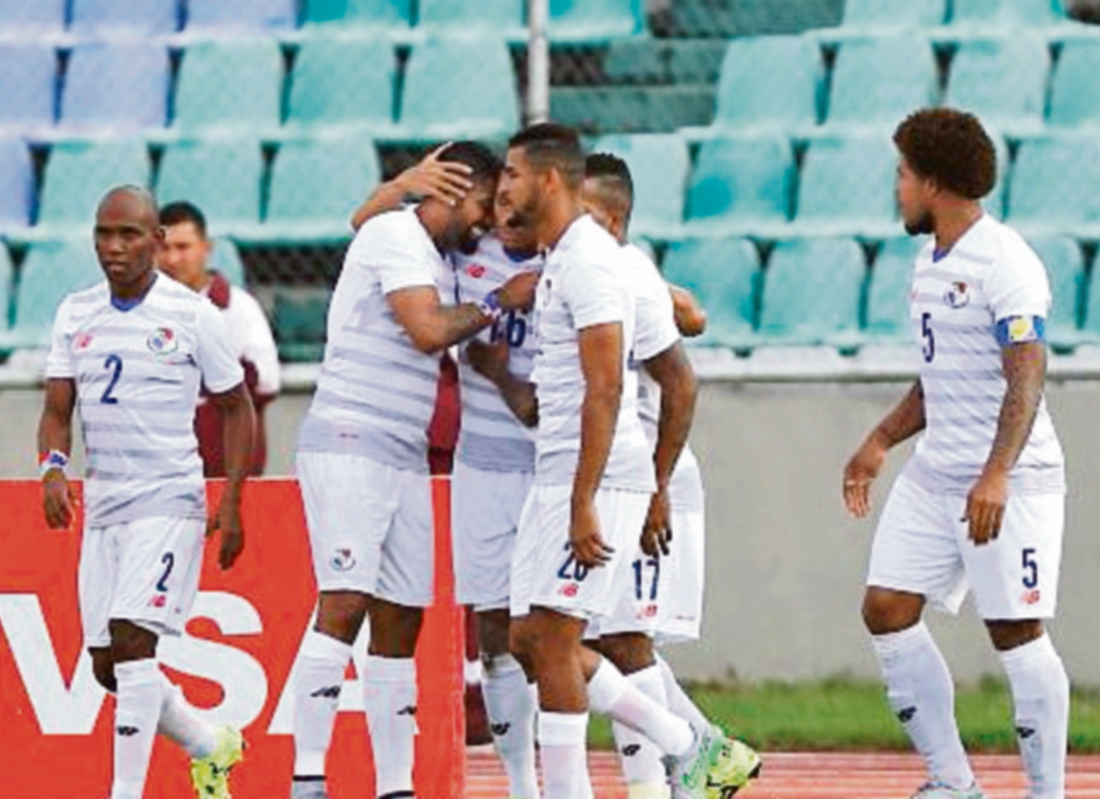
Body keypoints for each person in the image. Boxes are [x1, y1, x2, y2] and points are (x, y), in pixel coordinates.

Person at [287, 141, 538, 799]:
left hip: (403, 452)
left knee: (403, 616)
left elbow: (357, 222)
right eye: (484, 202)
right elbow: (428, 331)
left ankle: (393, 786)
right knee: (343, 603)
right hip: (350, 440)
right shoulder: (396, 235)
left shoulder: (434, 253)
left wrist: (395, 185)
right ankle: (306, 777)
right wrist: (496, 304)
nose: (488, 219)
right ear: (452, 189)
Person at [842, 108, 1069, 799]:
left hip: (1011, 478)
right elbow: (938, 376)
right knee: (885, 606)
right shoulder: (929, 258)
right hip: (935, 472)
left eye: (904, 174)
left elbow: (1026, 373)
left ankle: (1046, 792)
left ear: (934, 183)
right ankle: (953, 783)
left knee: (1017, 630)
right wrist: (880, 439)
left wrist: (997, 473)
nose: (898, 187)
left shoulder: (1005, 261)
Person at [492, 122, 720, 799]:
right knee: (530, 639)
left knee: (563, 642)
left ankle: (653, 766)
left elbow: (609, 386)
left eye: (510, 174)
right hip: (564, 470)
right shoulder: (567, 259)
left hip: (595, 476)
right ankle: (692, 744)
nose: (501, 188)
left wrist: (587, 496)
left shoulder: (593, 262)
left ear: (550, 180)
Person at [37, 186, 256, 799]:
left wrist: (233, 500)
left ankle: (125, 792)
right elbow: (57, 408)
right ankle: (210, 744)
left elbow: (237, 409)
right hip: (106, 502)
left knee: (134, 644)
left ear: (157, 242)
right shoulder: (75, 312)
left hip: (168, 499)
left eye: (129, 235)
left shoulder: (192, 315)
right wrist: (53, 467)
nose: (114, 247)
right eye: (104, 234)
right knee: (108, 667)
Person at [579, 152, 761, 799]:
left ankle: (691, 763)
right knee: (606, 636)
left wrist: (654, 487)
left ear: (612, 214)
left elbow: (690, 330)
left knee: (623, 638)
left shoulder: (623, 267)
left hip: (652, 475)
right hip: (620, 476)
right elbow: (690, 312)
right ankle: (694, 757)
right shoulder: (603, 267)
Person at [156, 200, 280, 477]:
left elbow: (267, 381)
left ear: (206, 247)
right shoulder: (140, 313)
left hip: (227, 472)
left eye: (183, 247)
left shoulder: (239, 307)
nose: (172, 259)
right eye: (164, 248)